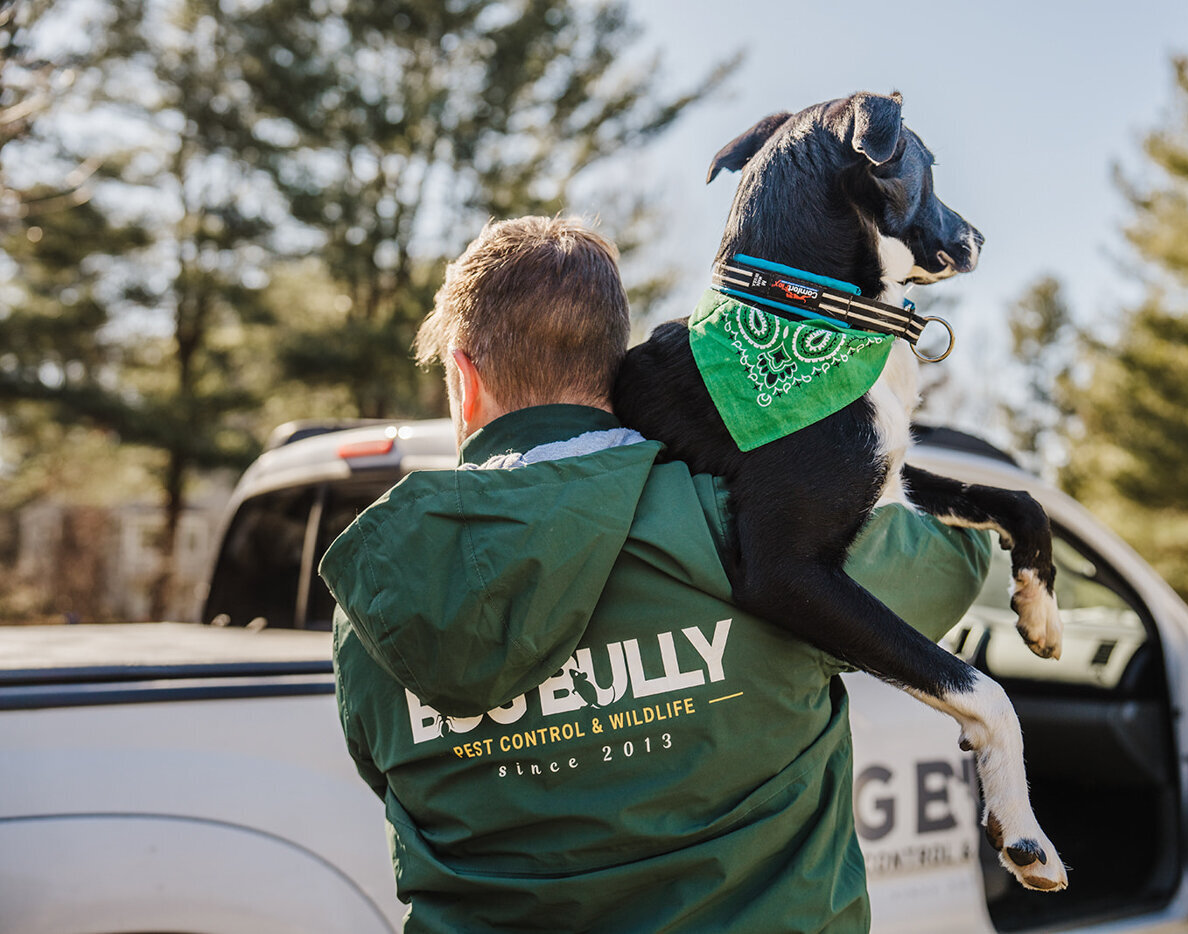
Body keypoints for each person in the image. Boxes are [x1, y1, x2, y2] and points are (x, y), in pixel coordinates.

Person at [320, 215, 991, 933]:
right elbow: (957, 559)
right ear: (617, 363)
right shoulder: (740, 526)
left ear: (463, 375)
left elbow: (384, 780)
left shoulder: (377, 598)